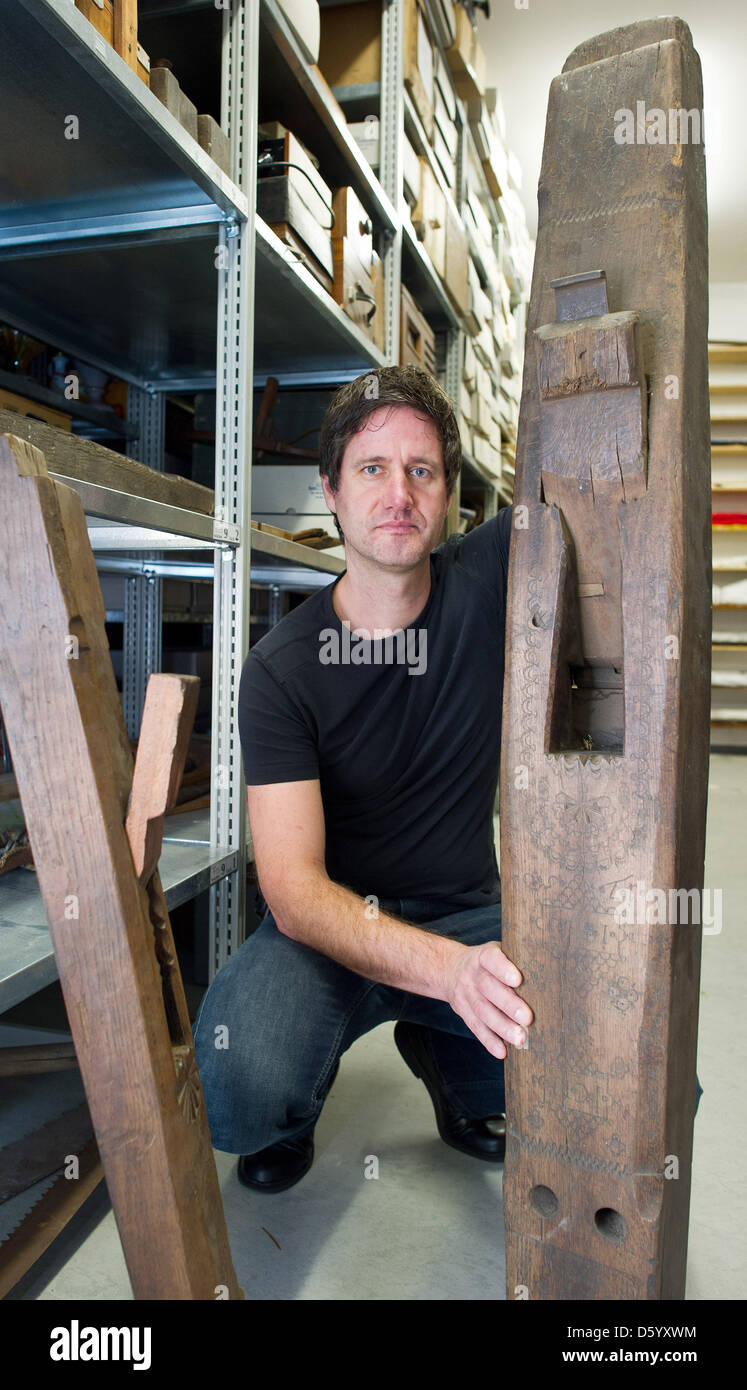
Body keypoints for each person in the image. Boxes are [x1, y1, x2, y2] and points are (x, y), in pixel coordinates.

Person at [192, 363, 533, 1194]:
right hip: (333, 929)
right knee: (238, 1091)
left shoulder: (486, 580)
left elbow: (582, 488)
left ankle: (449, 1060)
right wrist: (447, 974)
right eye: (372, 470)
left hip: (468, 910)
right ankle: (302, 1100)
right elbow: (292, 892)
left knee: (616, 1054)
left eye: (421, 471)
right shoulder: (280, 670)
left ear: (451, 493)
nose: (398, 495)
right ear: (331, 492)